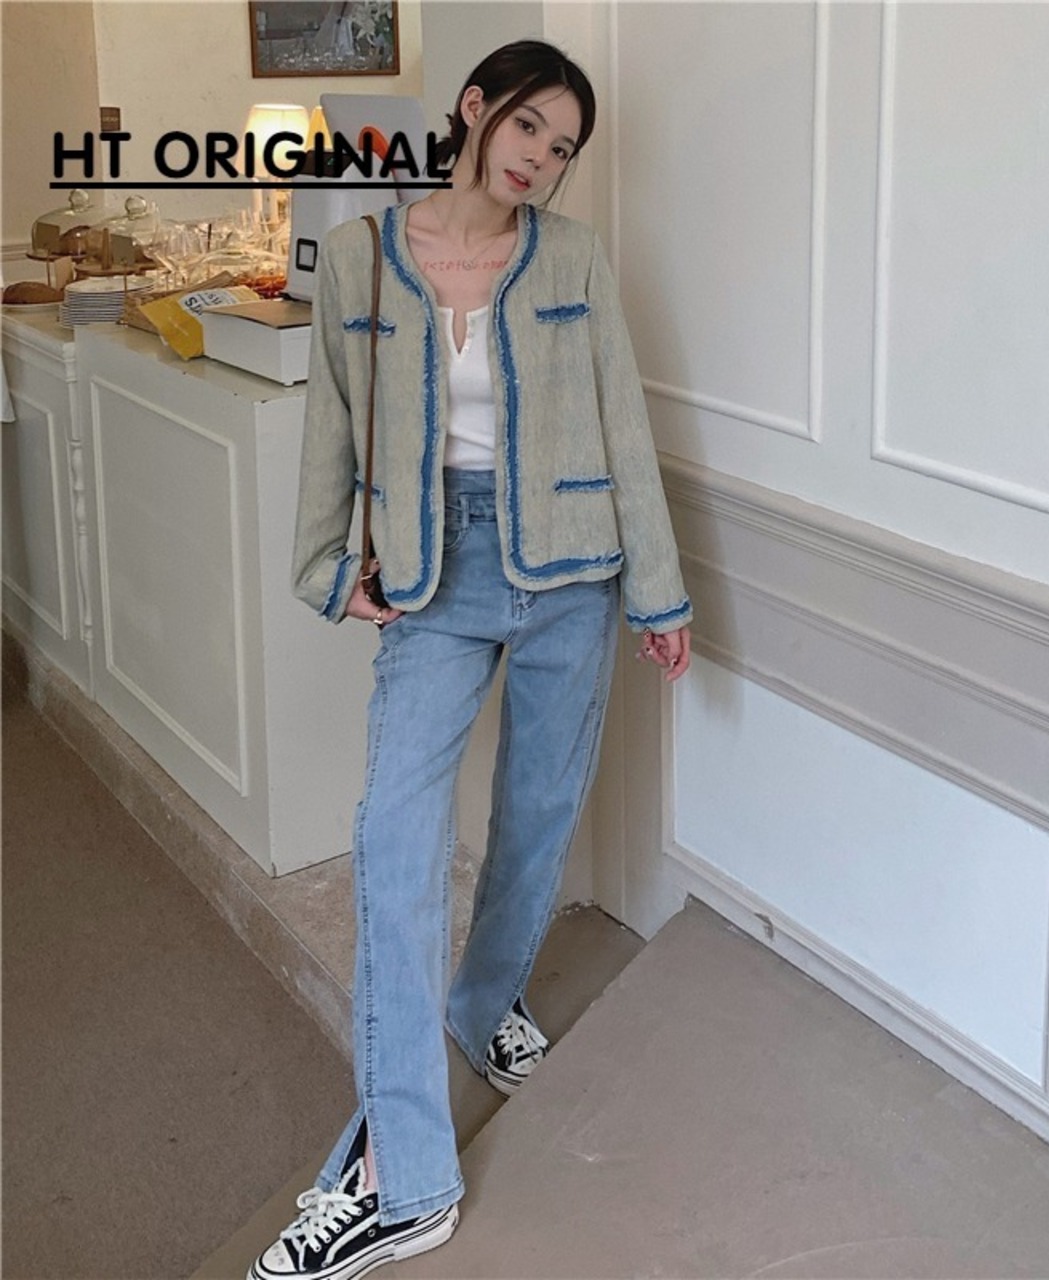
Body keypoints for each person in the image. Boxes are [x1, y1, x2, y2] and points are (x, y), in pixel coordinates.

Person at [248, 39, 692, 1280]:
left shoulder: (575, 259)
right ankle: (404, 1180)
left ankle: (481, 1000)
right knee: (395, 840)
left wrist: (657, 591)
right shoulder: (359, 257)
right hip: (434, 577)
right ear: (475, 109)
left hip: (570, 575)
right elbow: (333, 423)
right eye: (530, 126)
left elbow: (623, 422)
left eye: (563, 148)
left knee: (535, 817)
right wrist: (328, 567)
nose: (540, 158)